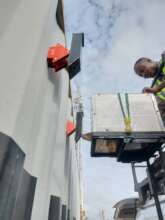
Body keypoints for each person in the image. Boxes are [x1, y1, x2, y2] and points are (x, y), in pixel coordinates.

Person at [134, 52, 165, 123]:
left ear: (149, 60)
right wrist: (148, 100)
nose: (144, 75)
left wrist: (157, 89)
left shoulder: (164, 59)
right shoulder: (155, 87)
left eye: (142, 70)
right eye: (141, 75)